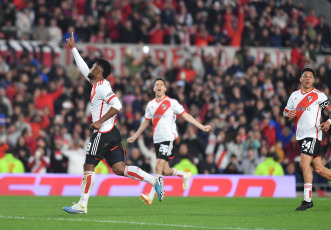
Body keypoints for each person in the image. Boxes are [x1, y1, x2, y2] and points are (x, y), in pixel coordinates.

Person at [63, 32, 164, 214]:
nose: (91, 68)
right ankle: (153, 181)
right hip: (112, 132)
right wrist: (73, 49)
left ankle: (82, 205)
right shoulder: (97, 82)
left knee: (88, 166)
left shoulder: (101, 87)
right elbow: (82, 67)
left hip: (102, 133)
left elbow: (118, 104)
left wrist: (99, 121)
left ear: (99, 71)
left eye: (94, 67)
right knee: (119, 169)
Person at [127, 77, 211, 205]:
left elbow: (186, 115)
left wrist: (201, 126)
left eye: (161, 84)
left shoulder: (172, 102)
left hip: (168, 138)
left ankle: (152, 195)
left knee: (158, 165)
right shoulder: (150, 105)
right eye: (157, 84)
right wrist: (136, 136)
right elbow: (145, 122)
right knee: (165, 170)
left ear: (165, 88)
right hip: (157, 140)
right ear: (154, 88)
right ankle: (184, 175)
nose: (159, 86)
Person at [284, 67, 331, 211]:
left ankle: (307, 200)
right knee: (319, 169)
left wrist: (329, 122)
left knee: (304, 164)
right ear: (301, 79)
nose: (308, 79)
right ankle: (307, 200)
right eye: (305, 76)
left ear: (314, 80)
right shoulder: (294, 96)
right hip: (301, 135)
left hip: (313, 134)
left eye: (310, 76)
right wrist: (288, 115)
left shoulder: (319, 95)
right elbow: (286, 111)